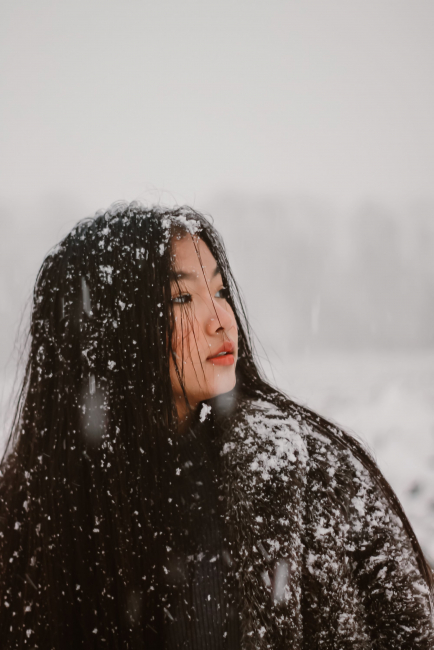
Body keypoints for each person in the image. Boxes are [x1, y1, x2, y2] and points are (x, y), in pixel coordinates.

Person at [0, 201, 432, 650]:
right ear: (110, 331)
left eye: (221, 292)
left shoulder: (312, 475)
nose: (221, 319)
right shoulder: (34, 518)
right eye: (182, 297)